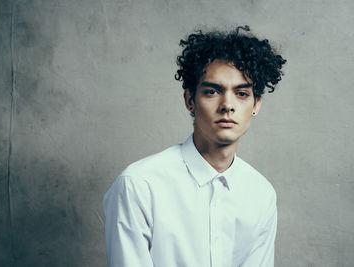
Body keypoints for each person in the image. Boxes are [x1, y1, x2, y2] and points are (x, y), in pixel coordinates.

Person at [103, 25, 286, 267]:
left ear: (256, 104)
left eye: (241, 94)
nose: (227, 105)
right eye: (212, 91)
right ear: (190, 100)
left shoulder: (261, 193)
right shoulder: (139, 186)